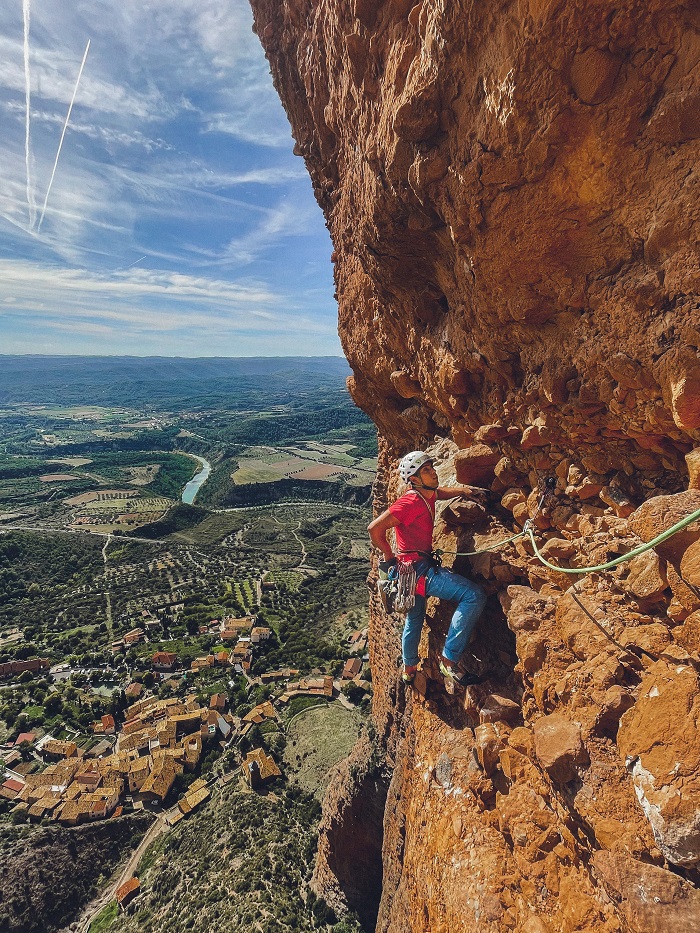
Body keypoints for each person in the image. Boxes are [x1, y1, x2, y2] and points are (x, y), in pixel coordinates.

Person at [368, 450, 487, 687]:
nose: (433, 472)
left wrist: (463, 491)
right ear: (414, 480)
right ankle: (449, 660)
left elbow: (437, 493)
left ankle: (408, 668)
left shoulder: (425, 493)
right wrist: (387, 554)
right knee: (473, 595)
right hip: (417, 570)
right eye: (426, 471)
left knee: (414, 619)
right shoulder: (410, 501)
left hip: (408, 572)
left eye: (431, 468)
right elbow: (374, 529)